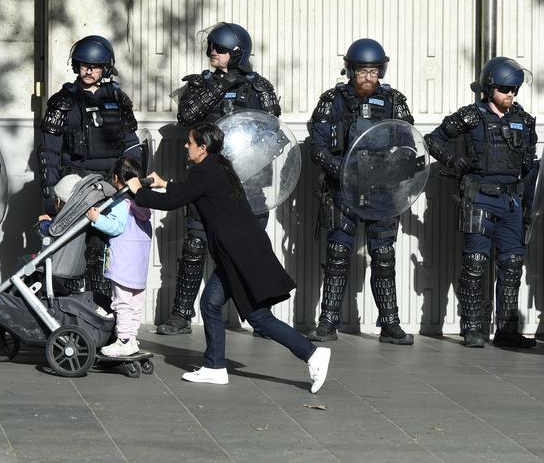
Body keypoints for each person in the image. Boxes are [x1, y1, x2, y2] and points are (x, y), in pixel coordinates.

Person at [127, 123, 331, 393]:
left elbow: (172, 201)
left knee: (259, 318)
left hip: (240, 255)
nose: (186, 146)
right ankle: (214, 367)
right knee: (211, 303)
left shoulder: (204, 172)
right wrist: (166, 183)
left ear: (203, 148)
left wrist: (137, 191)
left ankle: (312, 354)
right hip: (240, 251)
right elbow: (191, 191)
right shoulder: (217, 166)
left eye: (190, 143)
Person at [158, 21, 281, 335]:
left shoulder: (259, 87)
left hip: (247, 183)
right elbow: (186, 116)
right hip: (208, 182)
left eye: (221, 49)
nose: (213, 52)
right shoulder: (202, 85)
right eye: (211, 46)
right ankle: (181, 314)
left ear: (237, 53)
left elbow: (273, 130)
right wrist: (219, 84)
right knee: (196, 243)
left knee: (248, 249)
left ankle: (260, 316)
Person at [424, 57, 538, 348]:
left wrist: (527, 203)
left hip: (511, 200)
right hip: (480, 198)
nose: (511, 94)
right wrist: (454, 160)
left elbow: (529, 164)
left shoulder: (523, 120)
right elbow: (433, 139)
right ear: (489, 87)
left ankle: (507, 331)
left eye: (515, 89)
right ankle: (472, 328)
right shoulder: (471, 116)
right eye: (504, 88)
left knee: (512, 265)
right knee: (475, 264)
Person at [308, 38, 415, 344]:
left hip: (383, 191)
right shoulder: (333, 100)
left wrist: (393, 166)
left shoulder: (394, 101)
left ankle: (390, 323)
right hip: (343, 189)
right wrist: (339, 169)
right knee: (338, 254)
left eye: (374, 71)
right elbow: (316, 147)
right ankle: (328, 321)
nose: (369, 77)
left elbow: (409, 140)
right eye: (362, 72)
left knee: (383, 256)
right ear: (350, 71)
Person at [38, 35, 140, 310]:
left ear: (105, 68)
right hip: (76, 183)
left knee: (104, 249)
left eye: (95, 66)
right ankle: (69, 310)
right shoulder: (62, 101)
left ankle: (104, 310)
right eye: (84, 65)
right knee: (72, 248)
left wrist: (133, 184)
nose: (88, 71)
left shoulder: (119, 99)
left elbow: (131, 145)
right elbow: (48, 151)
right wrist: (49, 194)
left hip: (111, 186)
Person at [86, 158, 152, 357]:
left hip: (123, 262)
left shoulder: (120, 202)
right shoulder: (143, 204)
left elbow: (115, 227)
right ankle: (131, 337)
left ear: (116, 178)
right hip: (139, 266)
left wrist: (97, 218)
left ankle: (123, 339)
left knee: (121, 302)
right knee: (135, 303)